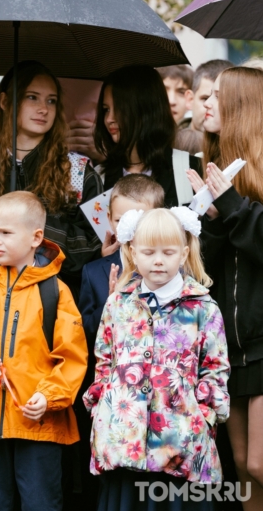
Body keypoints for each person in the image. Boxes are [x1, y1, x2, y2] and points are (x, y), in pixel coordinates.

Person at [0, 191, 87, 511]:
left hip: (38, 422)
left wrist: (49, 397)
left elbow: (72, 356)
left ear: (36, 237)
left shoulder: (56, 291)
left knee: (41, 504)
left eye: (6, 233)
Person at [83, 207, 230, 509]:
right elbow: (104, 361)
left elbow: (215, 369)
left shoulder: (204, 307)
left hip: (181, 445)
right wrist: (100, 407)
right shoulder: (117, 304)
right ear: (133, 253)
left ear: (184, 253)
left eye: (168, 252)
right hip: (123, 440)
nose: (159, 260)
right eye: (149, 252)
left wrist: (204, 416)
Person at [0, 61, 102, 291]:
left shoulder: (80, 173)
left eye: (51, 100)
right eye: (32, 97)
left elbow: (96, 249)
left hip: (58, 306)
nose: (44, 109)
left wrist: (33, 226)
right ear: (4, 101)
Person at [187, 66, 263, 508]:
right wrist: (212, 222)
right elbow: (206, 271)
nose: (207, 103)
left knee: (259, 464)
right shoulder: (214, 168)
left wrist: (232, 207)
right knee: (239, 463)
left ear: (242, 106)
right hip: (229, 345)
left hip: (262, 339)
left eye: (217, 95)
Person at [78, 174, 165, 352]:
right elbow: (83, 335)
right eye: (120, 220)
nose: (130, 228)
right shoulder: (93, 272)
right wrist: (110, 303)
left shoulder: (173, 269)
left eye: (139, 220)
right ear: (109, 218)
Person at [94, 65, 179, 207]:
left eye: (120, 109)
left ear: (145, 109)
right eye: (106, 109)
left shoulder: (188, 170)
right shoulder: (99, 176)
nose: (109, 118)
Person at [189, 59, 234, 133]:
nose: (207, 104)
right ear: (190, 99)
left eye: (219, 98)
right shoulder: (171, 141)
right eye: (205, 98)